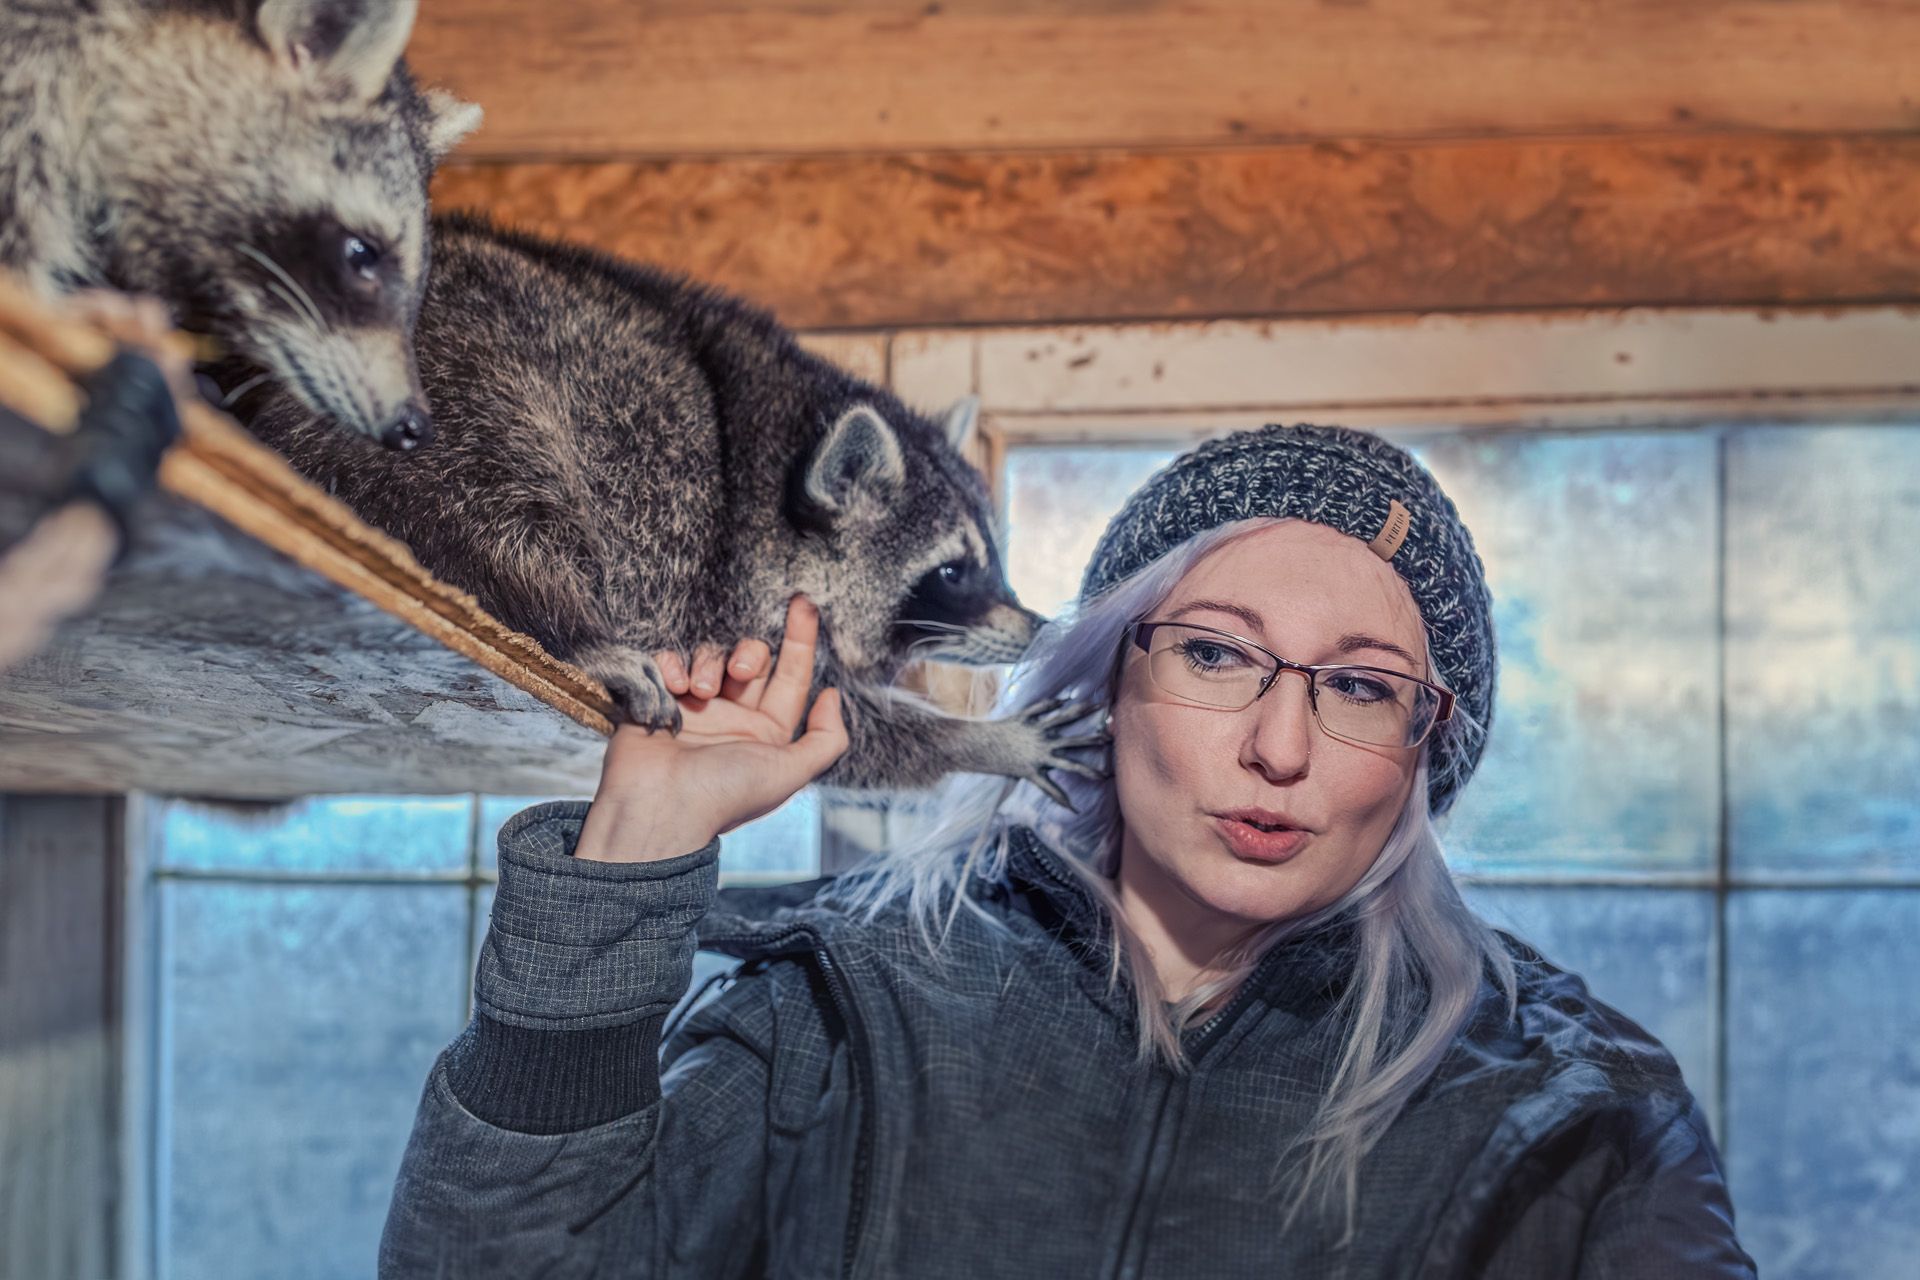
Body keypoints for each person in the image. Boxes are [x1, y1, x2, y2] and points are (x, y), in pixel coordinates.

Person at [380, 423, 1756, 1278]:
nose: (1279, 746)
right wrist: (618, 884)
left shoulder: (1575, 1117)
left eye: (1357, 686)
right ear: (1106, 682)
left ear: (1424, 751)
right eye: (1215, 655)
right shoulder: (837, 1008)